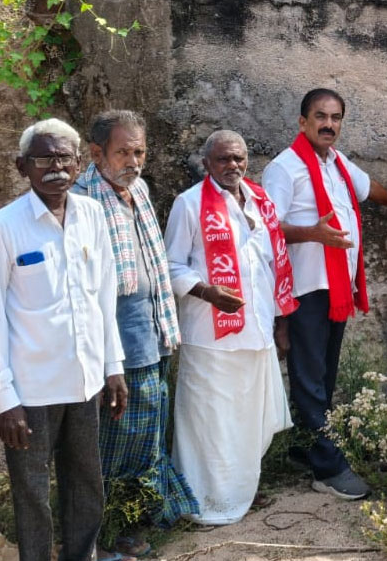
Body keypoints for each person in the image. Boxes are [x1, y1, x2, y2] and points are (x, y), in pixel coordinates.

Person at [262, 89, 387, 499]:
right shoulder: (285, 169)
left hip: (335, 287)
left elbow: (364, 186)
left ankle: (306, 447)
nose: (329, 125)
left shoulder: (334, 162)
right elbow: (267, 227)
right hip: (305, 289)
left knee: (323, 375)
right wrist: (313, 234)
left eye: (336, 118)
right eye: (320, 116)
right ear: (303, 122)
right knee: (309, 378)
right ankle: (328, 467)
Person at [0, 118, 128, 561]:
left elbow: (104, 294)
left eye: (65, 157)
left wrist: (112, 366)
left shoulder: (92, 214)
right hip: (31, 388)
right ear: (22, 165)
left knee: (86, 482)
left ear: (80, 163)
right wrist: (3, 397)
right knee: (32, 493)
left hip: (85, 381)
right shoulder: (2, 227)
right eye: (44, 157)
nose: (56, 166)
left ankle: (82, 555)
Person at [73, 110, 197, 556]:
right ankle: (106, 535)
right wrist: (108, 361)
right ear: (96, 153)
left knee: (147, 436)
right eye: (123, 151)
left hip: (153, 335)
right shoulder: (80, 199)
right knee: (115, 445)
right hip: (118, 349)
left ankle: (139, 521)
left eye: (139, 151)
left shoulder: (138, 190)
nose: (133, 160)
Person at [165, 130, 298, 524]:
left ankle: (241, 491)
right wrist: (208, 292)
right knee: (210, 423)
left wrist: (280, 324)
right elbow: (170, 267)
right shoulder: (189, 205)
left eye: (238, 158)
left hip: (255, 334)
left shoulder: (260, 202)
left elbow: (270, 266)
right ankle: (206, 502)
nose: (233, 166)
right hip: (210, 338)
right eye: (223, 159)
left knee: (247, 421)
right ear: (206, 164)